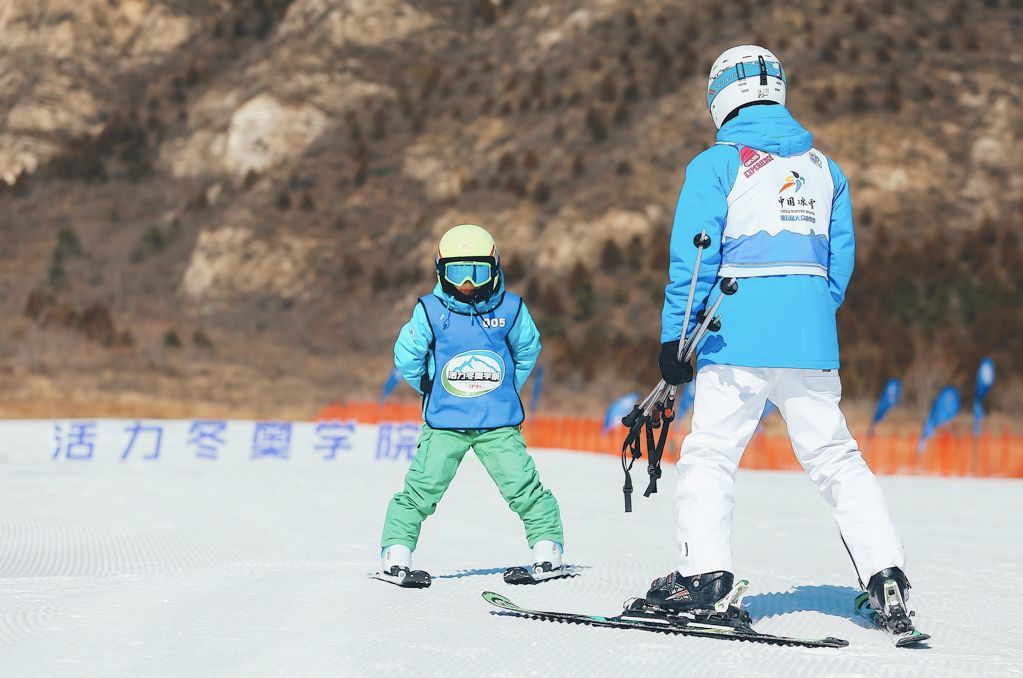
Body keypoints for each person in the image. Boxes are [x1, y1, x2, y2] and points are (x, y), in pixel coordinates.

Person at [645, 46, 913, 627]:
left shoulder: (716, 163)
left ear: (720, 96)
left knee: (712, 455)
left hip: (731, 336)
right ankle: (886, 576)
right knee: (836, 459)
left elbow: (692, 261)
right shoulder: (824, 168)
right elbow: (839, 263)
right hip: (811, 342)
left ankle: (705, 579)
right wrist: (808, 312)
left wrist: (676, 340)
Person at [377, 224, 565, 588]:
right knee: (421, 489)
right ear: (440, 271)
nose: (467, 283)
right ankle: (395, 553)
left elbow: (528, 350)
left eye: (477, 271)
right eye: (457, 272)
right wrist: (430, 387)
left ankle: (548, 549)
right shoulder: (431, 311)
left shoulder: (510, 309)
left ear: (494, 269)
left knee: (522, 485)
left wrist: (505, 388)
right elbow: (407, 356)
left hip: (498, 423)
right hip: (445, 422)